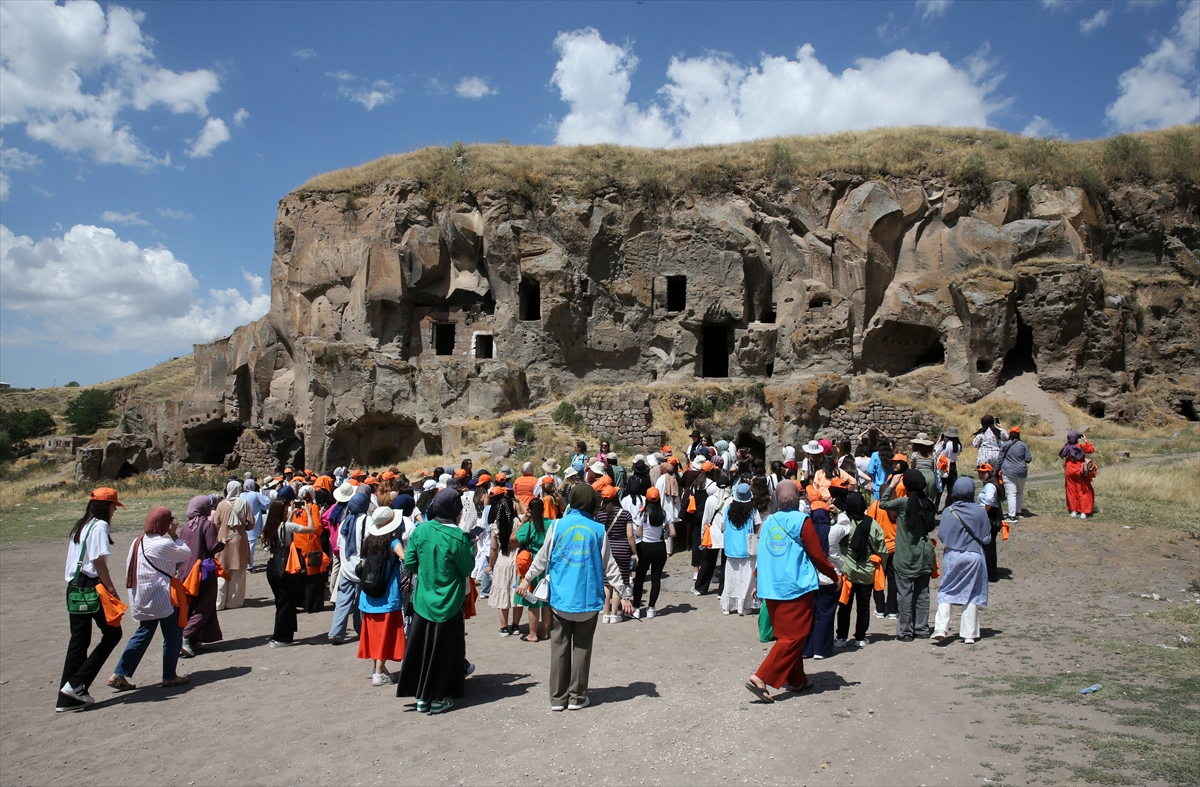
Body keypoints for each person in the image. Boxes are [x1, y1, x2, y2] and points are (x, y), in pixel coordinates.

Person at [518, 484, 634, 711]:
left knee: (559, 647)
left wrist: (526, 579)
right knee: (582, 649)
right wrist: (625, 594)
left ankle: (558, 699)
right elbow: (610, 567)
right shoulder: (597, 530)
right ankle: (577, 697)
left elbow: (542, 557)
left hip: (561, 599)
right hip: (587, 599)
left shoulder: (558, 526)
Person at [744, 480, 839, 703]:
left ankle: (797, 679)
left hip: (772, 587)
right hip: (795, 587)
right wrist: (833, 575)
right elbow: (817, 555)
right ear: (797, 497)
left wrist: (758, 582)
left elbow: (763, 554)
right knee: (795, 635)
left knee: (787, 634)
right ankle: (761, 676)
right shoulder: (802, 521)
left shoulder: (768, 522)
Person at [397, 488, 475, 714]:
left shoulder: (421, 531)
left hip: (423, 600)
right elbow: (467, 568)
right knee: (444, 651)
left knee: (422, 648)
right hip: (448, 601)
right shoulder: (458, 536)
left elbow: (410, 563)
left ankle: (422, 696)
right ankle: (439, 697)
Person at [56, 488, 126, 712]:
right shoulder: (100, 526)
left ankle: (66, 698)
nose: (115, 510)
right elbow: (97, 561)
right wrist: (112, 590)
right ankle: (77, 683)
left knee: (78, 640)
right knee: (113, 633)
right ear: (106, 506)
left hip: (74, 587)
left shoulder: (82, 524)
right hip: (90, 587)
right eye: (114, 505)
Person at [108, 507, 192, 691]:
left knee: (143, 633)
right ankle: (169, 676)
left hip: (141, 595)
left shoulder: (137, 541)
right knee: (173, 634)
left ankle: (120, 672)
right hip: (161, 596)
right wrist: (174, 534)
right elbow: (185, 553)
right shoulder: (161, 544)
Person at [878, 469, 937, 642]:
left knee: (904, 593)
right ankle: (921, 627)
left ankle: (905, 631)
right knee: (922, 593)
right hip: (924, 553)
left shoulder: (903, 503)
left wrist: (892, 486)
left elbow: (883, 503)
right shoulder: (927, 504)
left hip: (904, 554)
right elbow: (931, 526)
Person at [933, 478, 991, 645]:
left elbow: (942, 535)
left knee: (947, 589)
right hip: (974, 554)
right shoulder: (980, 512)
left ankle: (940, 628)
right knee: (972, 592)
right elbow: (986, 538)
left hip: (953, 554)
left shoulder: (948, 511)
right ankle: (969, 634)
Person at [358, 507, 407, 686]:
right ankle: (379, 673)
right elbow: (406, 560)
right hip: (388, 595)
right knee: (386, 634)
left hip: (369, 595)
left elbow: (362, 566)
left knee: (374, 634)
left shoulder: (368, 541)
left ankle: (378, 668)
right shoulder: (393, 542)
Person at [801, 486, 850, 660]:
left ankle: (806, 649)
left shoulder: (806, 532)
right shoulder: (832, 532)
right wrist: (839, 512)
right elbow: (846, 526)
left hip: (809, 580)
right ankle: (821, 649)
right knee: (826, 615)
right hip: (830, 579)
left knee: (809, 614)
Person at [835, 492, 886, 648]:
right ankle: (860, 637)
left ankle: (841, 637)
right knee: (863, 606)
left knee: (844, 606)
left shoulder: (843, 524)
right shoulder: (873, 525)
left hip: (847, 574)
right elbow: (882, 549)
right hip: (866, 574)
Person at [262, 500, 315, 647]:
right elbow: (311, 529)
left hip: (272, 566)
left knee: (281, 602)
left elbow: (285, 528)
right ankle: (280, 638)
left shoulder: (269, 527)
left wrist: (291, 513)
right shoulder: (287, 526)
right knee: (286, 602)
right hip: (285, 567)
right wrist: (308, 512)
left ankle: (284, 634)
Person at [178, 495, 225, 658]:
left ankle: (194, 637)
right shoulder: (207, 525)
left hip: (185, 572)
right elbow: (212, 547)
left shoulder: (185, 528)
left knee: (190, 606)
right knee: (204, 606)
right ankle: (184, 637)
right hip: (203, 573)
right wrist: (223, 543)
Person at [328, 491, 370, 645]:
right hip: (361, 568)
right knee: (361, 602)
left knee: (342, 601)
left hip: (346, 568)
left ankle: (336, 632)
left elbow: (339, 544)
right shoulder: (368, 521)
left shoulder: (345, 522)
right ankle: (361, 630)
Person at [487, 486, 525, 636]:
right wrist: (517, 499)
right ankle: (516, 625)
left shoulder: (495, 526)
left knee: (503, 595)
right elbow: (526, 510)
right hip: (517, 561)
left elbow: (493, 549)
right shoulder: (519, 522)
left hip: (502, 563)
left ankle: (504, 627)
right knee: (517, 594)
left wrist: (490, 565)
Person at [596, 484, 636, 623]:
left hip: (606, 549)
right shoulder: (625, 513)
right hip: (623, 549)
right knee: (621, 581)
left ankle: (605, 613)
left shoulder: (599, 515)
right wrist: (634, 552)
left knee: (606, 582)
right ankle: (614, 614)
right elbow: (630, 535)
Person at [719, 483, 761, 616]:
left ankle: (727, 606)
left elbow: (722, 528)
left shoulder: (727, 509)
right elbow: (759, 529)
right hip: (747, 550)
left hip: (731, 550)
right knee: (746, 579)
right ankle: (743, 606)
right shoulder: (753, 511)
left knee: (730, 578)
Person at [514, 498, 551, 641]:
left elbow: (513, 538)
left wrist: (523, 522)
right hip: (547, 563)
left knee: (533, 600)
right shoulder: (551, 524)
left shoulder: (529, 526)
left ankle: (533, 633)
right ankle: (545, 632)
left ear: (529, 510)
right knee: (545, 600)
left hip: (532, 562)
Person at [631, 487, 671, 618]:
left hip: (645, 547)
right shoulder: (664, 514)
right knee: (656, 578)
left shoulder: (643, 514)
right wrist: (664, 533)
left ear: (646, 499)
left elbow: (638, 533)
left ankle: (636, 608)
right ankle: (651, 608)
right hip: (659, 547)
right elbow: (674, 532)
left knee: (640, 578)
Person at [215, 496, 251, 611]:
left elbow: (216, 523)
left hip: (224, 539)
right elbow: (251, 524)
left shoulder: (221, 505)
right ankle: (233, 602)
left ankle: (219, 602)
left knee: (221, 571)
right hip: (239, 540)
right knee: (238, 572)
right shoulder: (244, 504)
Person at [998, 426, 1033, 525]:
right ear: (1019, 434)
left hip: (1009, 472)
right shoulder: (1023, 445)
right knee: (1019, 493)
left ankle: (1012, 516)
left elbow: (1000, 459)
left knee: (1011, 494)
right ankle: (1019, 512)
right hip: (1022, 472)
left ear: (1010, 434)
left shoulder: (1005, 445)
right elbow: (1028, 459)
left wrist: (995, 470)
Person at [975, 462, 1004, 582]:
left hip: (989, 517)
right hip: (988, 515)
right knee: (988, 545)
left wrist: (980, 512)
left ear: (989, 473)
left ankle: (990, 574)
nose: (981, 475)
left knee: (989, 546)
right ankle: (988, 572)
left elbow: (989, 502)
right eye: (979, 473)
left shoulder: (991, 486)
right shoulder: (989, 484)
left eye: (983, 473)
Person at [1059, 429, 1096, 518]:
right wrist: (1086, 440)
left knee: (1071, 490)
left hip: (1069, 470)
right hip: (1080, 470)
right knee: (1083, 490)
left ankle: (1073, 511)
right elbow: (1091, 449)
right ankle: (1083, 511)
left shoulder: (1067, 447)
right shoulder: (1080, 447)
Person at [934, 428, 962, 511]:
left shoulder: (944, 444)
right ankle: (947, 506)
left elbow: (934, 450)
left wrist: (939, 440)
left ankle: (936, 506)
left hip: (943, 465)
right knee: (951, 489)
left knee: (940, 487)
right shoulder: (957, 445)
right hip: (953, 466)